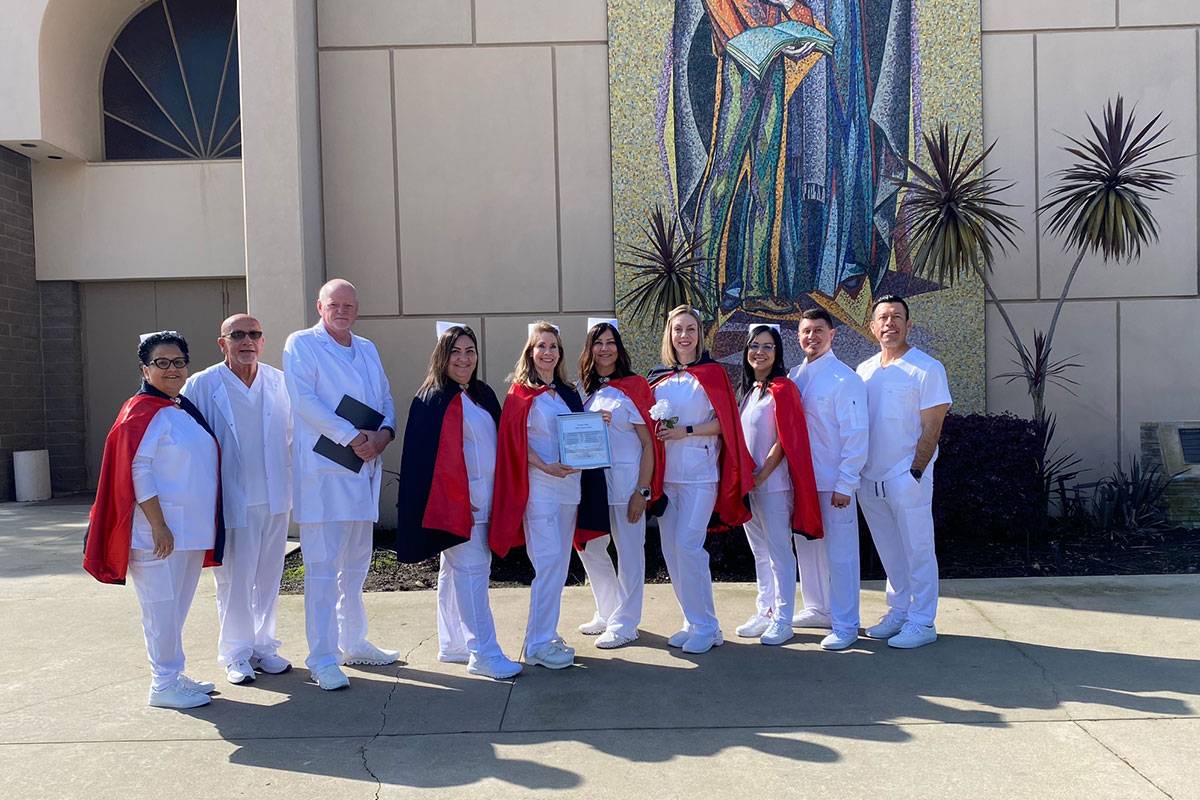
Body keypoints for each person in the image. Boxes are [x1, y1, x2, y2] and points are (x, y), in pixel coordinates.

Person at [84, 331, 225, 709]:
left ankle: (173, 674)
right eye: (162, 362)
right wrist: (159, 524)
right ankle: (162, 684)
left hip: (190, 531)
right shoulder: (141, 410)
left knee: (175, 609)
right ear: (145, 369)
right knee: (160, 609)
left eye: (178, 361)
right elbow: (137, 469)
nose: (172, 368)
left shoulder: (179, 409)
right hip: (157, 534)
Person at [283, 279, 398, 690]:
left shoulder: (366, 348)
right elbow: (303, 401)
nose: (343, 311)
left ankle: (354, 642)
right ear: (320, 306)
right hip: (325, 474)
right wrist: (352, 437)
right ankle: (323, 657)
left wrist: (382, 435)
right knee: (321, 570)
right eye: (335, 304)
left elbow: (385, 398)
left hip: (364, 468)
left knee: (355, 567)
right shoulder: (302, 344)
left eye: (350, 305)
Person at [395, 322, 522, 680]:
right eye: (456, 352)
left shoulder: (480, 393)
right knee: (472, 574)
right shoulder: (432, 398)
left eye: (470, 351)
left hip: (486, 500)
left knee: (453, 573)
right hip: (460, 506)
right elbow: (426, 462)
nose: (464, 358)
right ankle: (484, 652)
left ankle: (453, 643)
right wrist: (455, 500)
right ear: (442, 355)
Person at [490, 322, 610, 670]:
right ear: (530, 352)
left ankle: (545, 633)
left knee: (558, 567)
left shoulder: (568, 393)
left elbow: (579, 436)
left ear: (560, 353)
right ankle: (538, 644)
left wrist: (596, 421)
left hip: (569, 489)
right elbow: (513, 443)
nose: (547, 352)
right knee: (547, 565)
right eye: (541, 346)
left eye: (553, 346)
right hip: (540, 489)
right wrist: (544, 465)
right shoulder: (519, 393)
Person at [182, 314, 293, 684]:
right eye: (238, 335)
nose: (248, 341)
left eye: (255, 335)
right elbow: (187, 440)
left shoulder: (280, 382)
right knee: (234, 580)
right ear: (222, 343)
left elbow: (293, 436)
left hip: (276, 496)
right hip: (231, 500)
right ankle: (235, 653)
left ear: (263, 342)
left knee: (269, 575)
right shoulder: (201, 385)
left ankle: (264, 647)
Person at [646, 305, 755, 654]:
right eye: (678, 329)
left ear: (700, 334)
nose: (684, 336)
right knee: (671, 549)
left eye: (691, 329)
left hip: (700, 474)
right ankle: (693, 620)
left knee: (689, 547)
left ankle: (708, 626)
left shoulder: (713, 374)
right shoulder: (659, 376)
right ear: (670, 334)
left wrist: (686, 431)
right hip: (668, 476)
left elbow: (727, 424)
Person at [856, 295, 951, 649]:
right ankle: (898, 612)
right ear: (872, 326)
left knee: (918, 550)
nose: (889, 323)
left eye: (897, 317)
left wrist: (915, 473)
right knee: (890, 552)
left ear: (909, 325)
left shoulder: (927, 368)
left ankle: (923, 621)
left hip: (906, 477)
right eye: (882, 317)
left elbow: (933, 426)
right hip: (870, 479)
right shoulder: (863, 371)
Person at [573, 319, 664, 649]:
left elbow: (649, 444)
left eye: (611, 342)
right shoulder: (582, 389)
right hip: (594, 487)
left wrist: (643, 490)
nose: (605, 348)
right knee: (591, 548)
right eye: (598, 343)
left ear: (619, 348)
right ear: (590, 349)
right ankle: (608, 610)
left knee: (629, 553)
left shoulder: (635, 386)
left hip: (627, 486)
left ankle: (627, 623)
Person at [735, 324, 823, 646]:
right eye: (755, 346)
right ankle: (766, 610)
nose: (760, 352)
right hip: (751, 486)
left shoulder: (783, 388)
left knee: (779, 553)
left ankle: (784, 618)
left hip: (774, 486)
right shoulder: (749, 391)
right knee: (759, 551)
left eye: (768, 347)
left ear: (778, 352)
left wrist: (762, 474)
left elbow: (785, 440)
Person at [789, 308, 869, 650]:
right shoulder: (795, 375)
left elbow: (856, 434)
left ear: (832, 334)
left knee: (841, 553)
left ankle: (846, 622)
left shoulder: (844, 378)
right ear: (799, 336)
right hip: (802, 482)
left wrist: (845, 483)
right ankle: (818, 608)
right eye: (806, 331)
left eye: (818, 331)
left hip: (833, 482)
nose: (812, 337)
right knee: (807, 547)